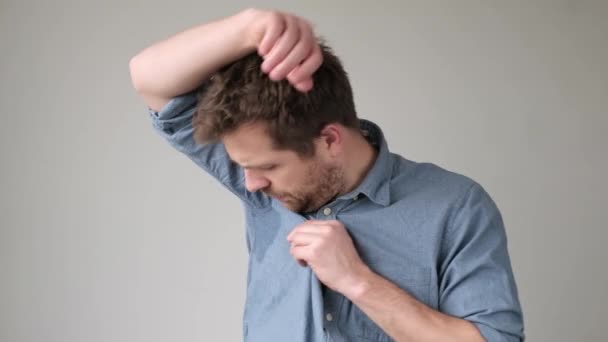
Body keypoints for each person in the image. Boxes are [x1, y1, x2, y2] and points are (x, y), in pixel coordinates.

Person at [129, 8, 524, 342]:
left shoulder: (455, 206)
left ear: (330, 140)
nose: (249, 183)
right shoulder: (263, 189)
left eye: (267, 167)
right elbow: (149, 79)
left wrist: (357, 281)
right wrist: (253, 25)